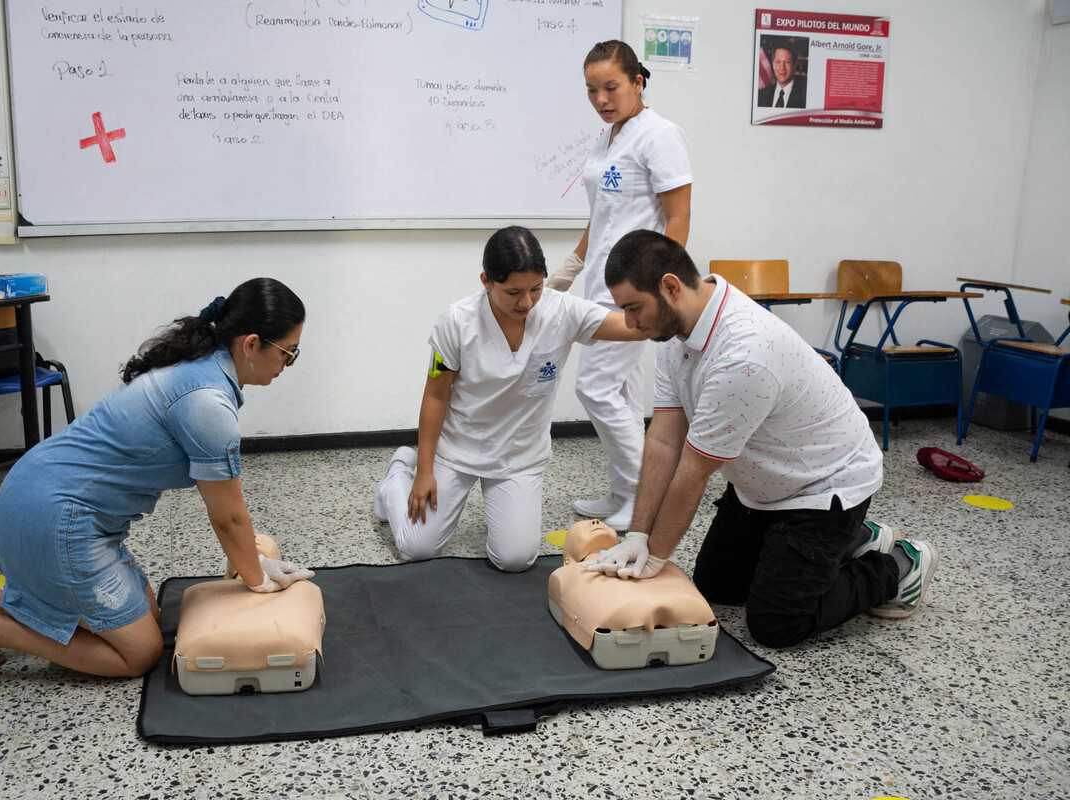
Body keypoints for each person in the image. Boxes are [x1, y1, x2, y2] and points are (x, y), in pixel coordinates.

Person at [0, 278, 315, 689]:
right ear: (252, 343)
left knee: (148, 617)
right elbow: (229, 519)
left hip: (37, 498)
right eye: (288, 353)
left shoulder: (196, 366)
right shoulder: (206, 401)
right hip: (56, 519)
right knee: (140, 653)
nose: (286, 365)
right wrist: (259, 579)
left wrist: (255, 567)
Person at [587, 230, 938, 648]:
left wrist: (656, 558)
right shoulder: (675, 330)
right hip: (764, 480)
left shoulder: (743, 353)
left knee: (777, 624)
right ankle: (856, 539)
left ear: (670, 287)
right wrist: (638, 536)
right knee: (718, 587)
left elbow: (694, 471)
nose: (629, 323)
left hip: (824, 487)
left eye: (633, 308)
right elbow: (664, 441)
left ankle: (896, 566)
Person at [374, 226, 645, 572]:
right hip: (458, 450)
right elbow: (435, 397)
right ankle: (397, 476)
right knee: (417, 547)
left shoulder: (563, 311)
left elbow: (632, 325)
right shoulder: (457, 322)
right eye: (513, 292)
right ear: (486, 281)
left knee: (514, 559)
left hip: (519, 457)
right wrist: (424, 470)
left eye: (536, 288)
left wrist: (674, 309)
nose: (526, 302)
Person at [546, 40, 693, 531]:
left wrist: (659, 290)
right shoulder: (606, 137)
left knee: (596, 389)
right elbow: (602, 215)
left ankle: (642, 497)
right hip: (598, 283)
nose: (601, 99)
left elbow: (677, 219)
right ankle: (622, 492)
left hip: (635, 291)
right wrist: (570, 267)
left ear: (637, 81)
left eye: (611, 87)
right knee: (625, 395)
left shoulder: (660, 135)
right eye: (592, 91)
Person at [757, 44, 807, 108]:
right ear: (773, 64)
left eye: (787, 62)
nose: (782, 68)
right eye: (778, 62)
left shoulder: (805, 95)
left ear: (795, 65)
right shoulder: (760, 95)